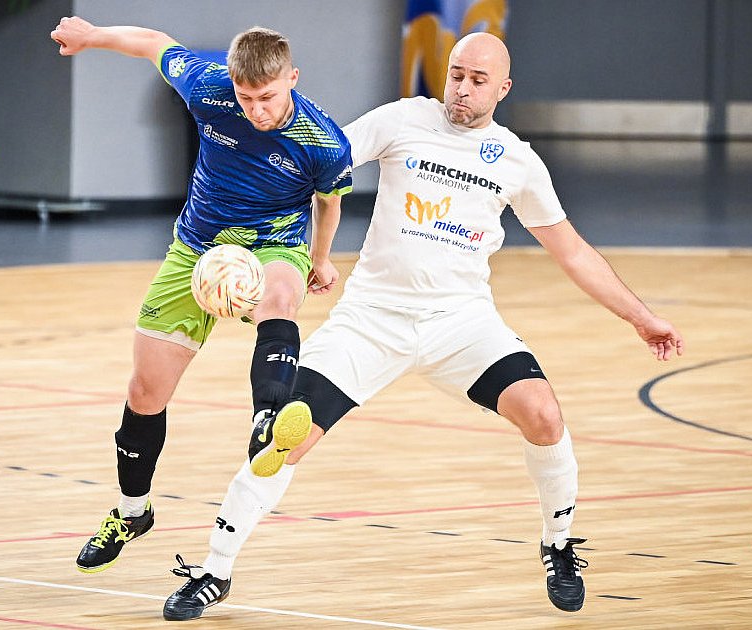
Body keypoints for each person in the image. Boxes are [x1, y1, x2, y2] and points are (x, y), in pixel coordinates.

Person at [175, 32, 685, 619]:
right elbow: (317, 160)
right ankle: (214, 570)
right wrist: (285, 248)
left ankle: (558, 541)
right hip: (371, 321)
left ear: (504, 88)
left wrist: (642, 318)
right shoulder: (403, 120)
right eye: (456, 75)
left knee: (544, 415)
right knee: (279, 440)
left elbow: (572, 252)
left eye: (478, 80)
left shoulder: (516, 160)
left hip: (461, 324)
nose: (463, 89)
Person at [49, 16, 353, 621]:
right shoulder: (208, 85)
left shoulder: (324, 142)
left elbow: (329, 203)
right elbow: (155, 45)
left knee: (281, 297)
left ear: (292, 78)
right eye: (247, 97)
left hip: (274, 240)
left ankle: (268, 419)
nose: (257, 109)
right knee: (145, 392)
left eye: (268, 97)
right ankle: (132, 513)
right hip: (197, 248)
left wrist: (319, 260)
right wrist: (90, 35)